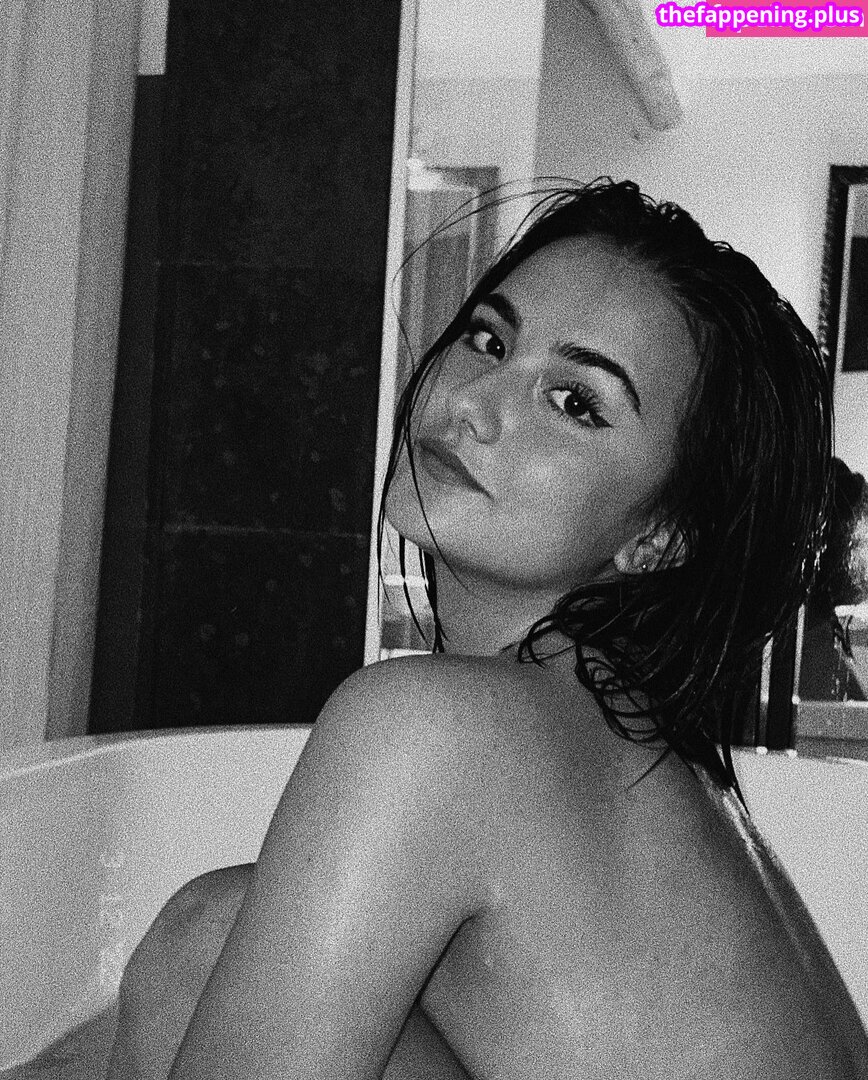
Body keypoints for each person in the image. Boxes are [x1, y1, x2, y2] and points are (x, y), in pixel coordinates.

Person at [105, 178, 868, 1079]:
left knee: (204, 951)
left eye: (575, 401)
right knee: (215, 933)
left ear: (663, 535)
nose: (473, 401)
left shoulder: (438, 729)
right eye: (488, 339)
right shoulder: (635, 754)